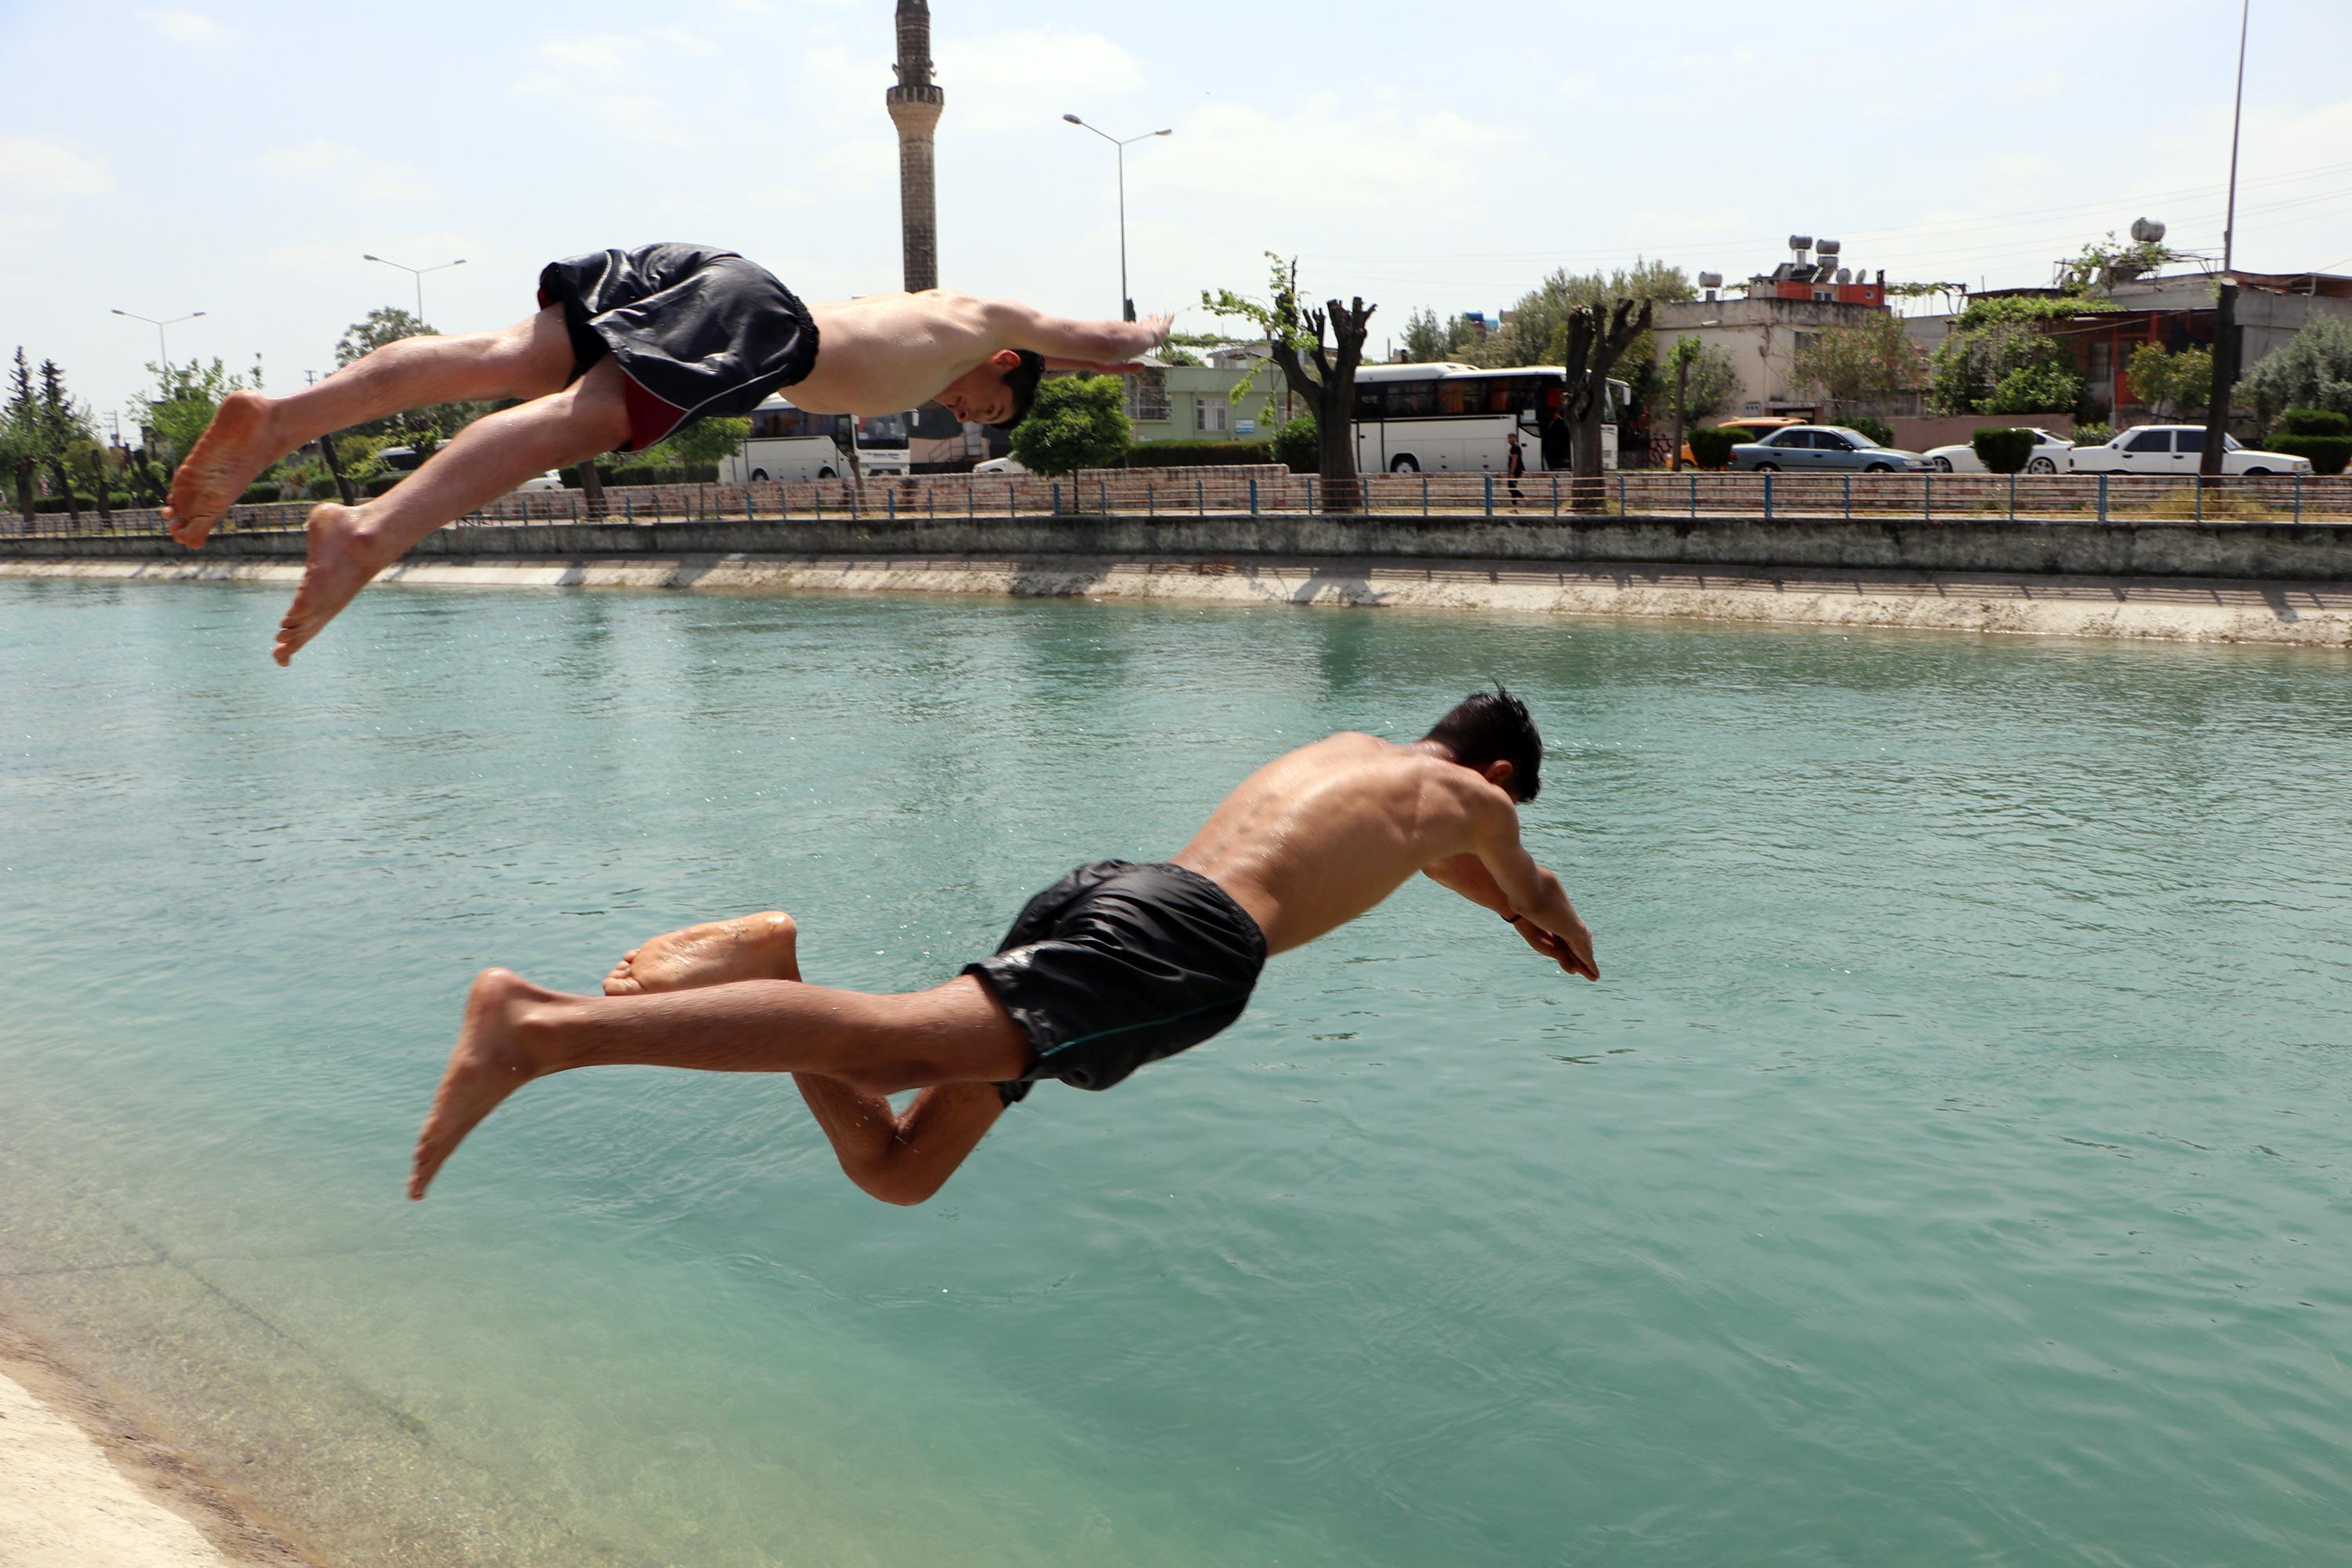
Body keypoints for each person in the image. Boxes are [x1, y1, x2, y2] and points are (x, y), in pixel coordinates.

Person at [409, 689, 1599, 1205]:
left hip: (1118, 889)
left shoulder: (1355, 756)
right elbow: (1521, 878)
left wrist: (1508, 917)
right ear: (1497, 774)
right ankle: (541, 1025)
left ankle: (774, 981)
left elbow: (1442, 870)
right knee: (881, 1056)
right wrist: (1563, 933)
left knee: (900, 1169)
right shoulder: (1483, 809)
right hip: (1188, 950)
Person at [162, 243, 1170, 663]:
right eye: (988, 401)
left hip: (706, 277)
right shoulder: (988, 317)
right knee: (583, 424)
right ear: (1006, 361)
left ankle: (285, 417)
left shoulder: (934, 329)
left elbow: (1055, 363)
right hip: (757, 322)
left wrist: (1086, 371)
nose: (968, 411)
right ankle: (370, 534)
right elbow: (1094, 336)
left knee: (512, 359)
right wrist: (1146, 335)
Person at [1505, 431, 1527, 510]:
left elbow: (1514, 460)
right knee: (1513, 487)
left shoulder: (1515, 448)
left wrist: (1512, 473)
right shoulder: (1514, 447)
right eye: (1508, 438)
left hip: (1515, 471)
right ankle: (1514, 508)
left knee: (1511, 488)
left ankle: (1524, 498)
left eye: (1511, 438)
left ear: (1515, 439)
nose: (1509, 440)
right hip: (1516, 470)